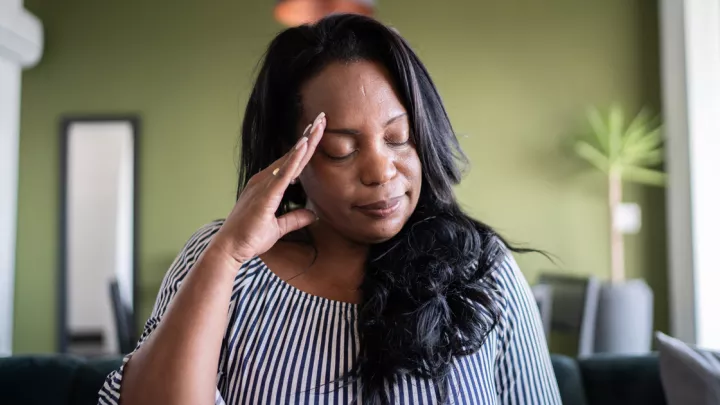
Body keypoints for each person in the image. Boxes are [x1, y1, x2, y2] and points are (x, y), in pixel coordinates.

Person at [99, 14, 561, 405]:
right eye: (340, 149)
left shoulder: (482, 270)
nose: (381, 170)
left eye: (398, 138)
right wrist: (225, 256)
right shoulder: (224, 260)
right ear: (290, 157)